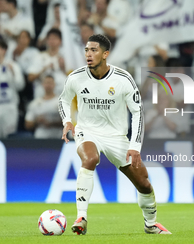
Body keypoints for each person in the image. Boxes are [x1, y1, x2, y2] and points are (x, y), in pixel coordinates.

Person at [58, 34, 171, 235]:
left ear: (105, 54)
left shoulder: (123, 79)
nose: (88, 54)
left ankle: (151, 224)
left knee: (143, 183)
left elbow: (138, 113)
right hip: (88, 131)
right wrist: (67, 120)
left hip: (117, 137)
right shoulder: (76, 77)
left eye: (93, 50)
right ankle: (81, 217)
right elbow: (63, 100)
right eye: (86, 50)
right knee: (90, 159)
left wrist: (135, 146)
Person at [0, 40, 25, 138]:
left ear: (4, 50)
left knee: (9, 135)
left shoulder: (13, 65)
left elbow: (20, 86)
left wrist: (13, 73)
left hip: (8, 106)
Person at [28, 28, 66, 98]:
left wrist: (63, 67)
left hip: (61, 92)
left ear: (60, 41)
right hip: (43, 94)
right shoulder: (39, 56)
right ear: (47, 41)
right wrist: (43, 69)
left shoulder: (65, 57)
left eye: (55, 39)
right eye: (50, 39)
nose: (52, 41)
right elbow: (30, 78)